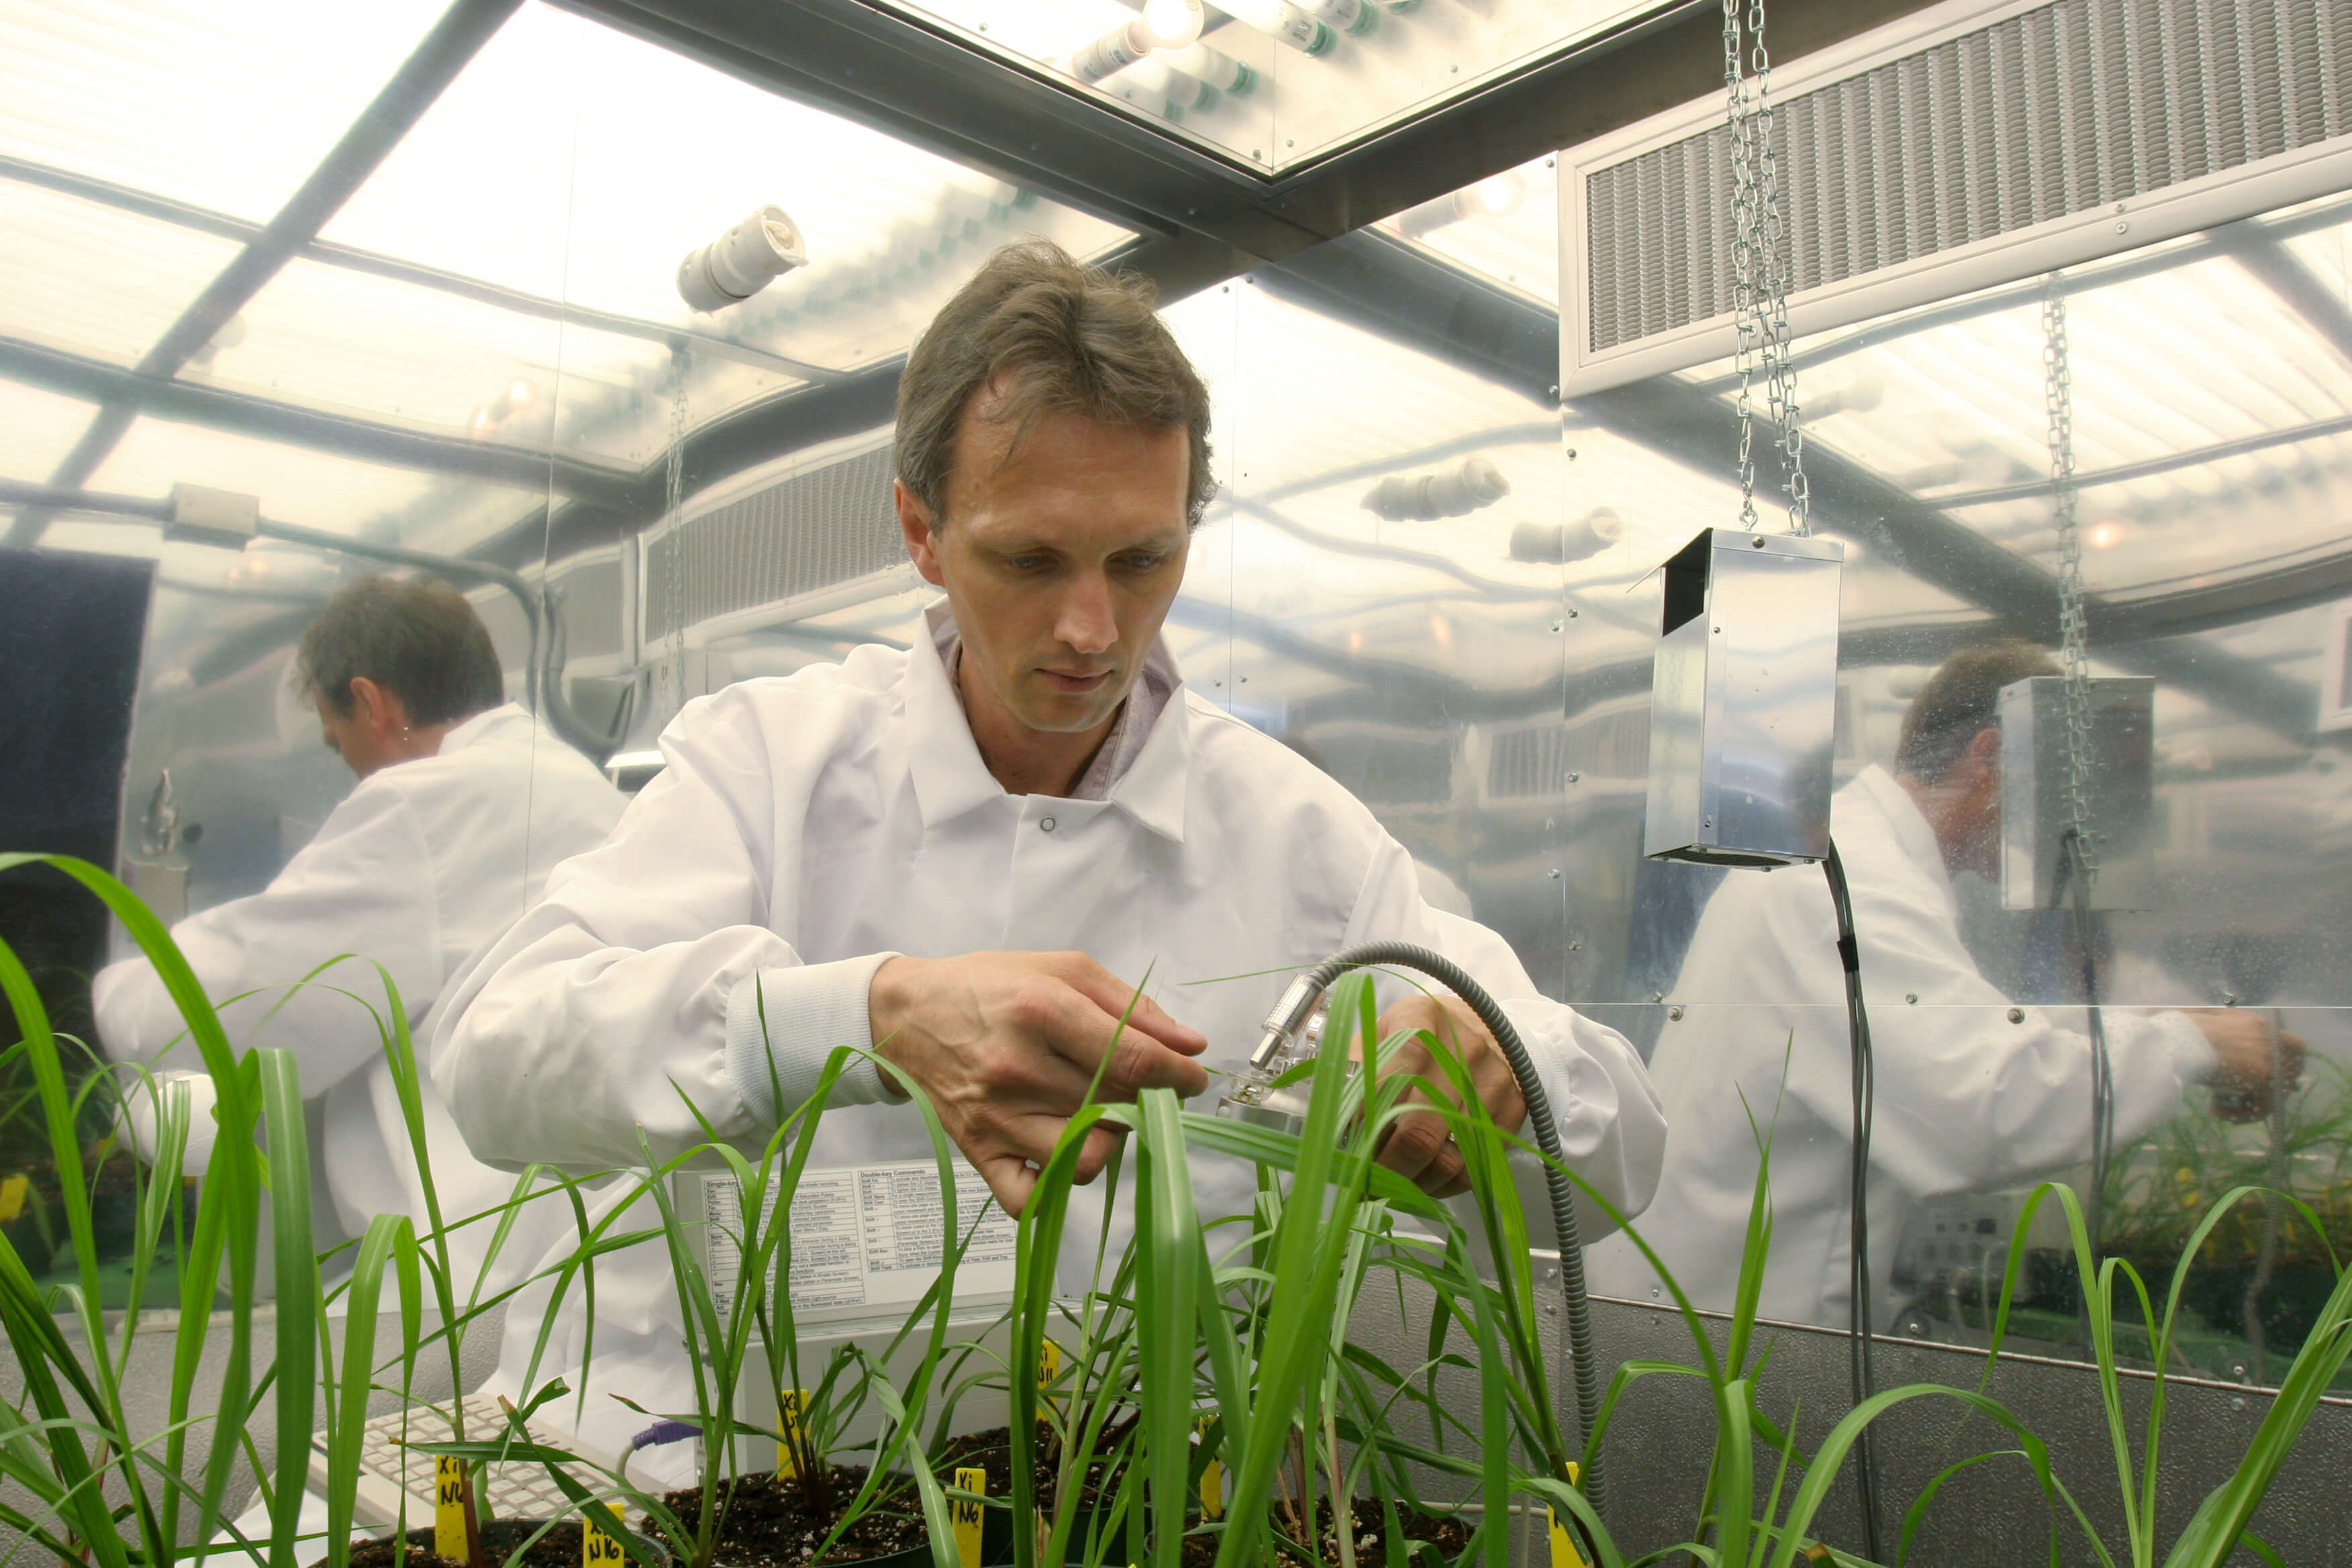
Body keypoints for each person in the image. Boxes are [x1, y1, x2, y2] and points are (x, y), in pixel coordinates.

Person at [435, 242, 1665, 1463]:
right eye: (1028, 559)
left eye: (1142, 560)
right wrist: (864, 1017)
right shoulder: (771, 765)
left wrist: (1492, 1066)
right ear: (921, 532)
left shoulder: (1292, 834)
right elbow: (496, 1059)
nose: (1091, 628)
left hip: (1097, 1500)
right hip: (727, 1480)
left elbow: (1621, 1145)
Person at [1586, 641, 2303, 1328]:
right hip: (1730, 1336)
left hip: (1718, 1313)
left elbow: (1970, 1035)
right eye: (2073, 791)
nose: (2079, 827)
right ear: (1991, 755)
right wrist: (2191, 1045)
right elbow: (1985, 1101)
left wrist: (2174, 1025)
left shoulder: (1853, 868)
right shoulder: (1847, 886)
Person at [94, 575, 626, 1299]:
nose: (345, 760)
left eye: (335, 734)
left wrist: (111, 989)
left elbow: (245, 996)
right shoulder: (583, 786)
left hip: (463, 1272)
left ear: (372, 702)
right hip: (594, 1245)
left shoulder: (420, 806)